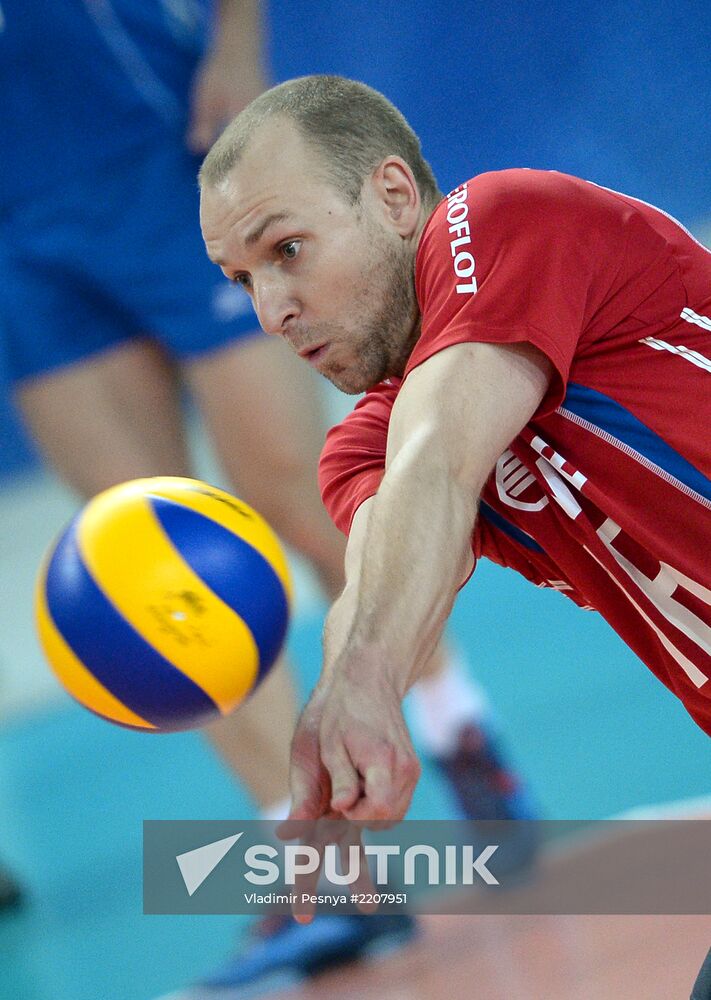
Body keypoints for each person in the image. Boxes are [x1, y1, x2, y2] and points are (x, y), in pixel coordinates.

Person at [0, 9, 536, 993]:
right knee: (143, 565)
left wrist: (238, 41)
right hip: (18, 230)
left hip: (157, 149)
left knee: (294, 494)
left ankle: (460, 725)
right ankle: (325, 874)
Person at [199, 74, 711, 837]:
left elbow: (440, 457)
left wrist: (370, 682)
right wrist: (341, 703)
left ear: (396, 197)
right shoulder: (363, 449)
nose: (271, 311)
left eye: (289, 249)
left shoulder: (504, 221)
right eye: (242, 280)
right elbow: (374, 581)